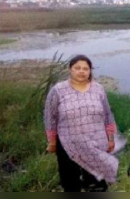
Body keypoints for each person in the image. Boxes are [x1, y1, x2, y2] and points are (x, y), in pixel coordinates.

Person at [44, 55, 118, 192]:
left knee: (97, 183)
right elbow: (50, 117)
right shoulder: (58, 90)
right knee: (70, 183)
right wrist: (52, 142)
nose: (81, 71)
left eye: (85, 68)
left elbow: (108, 115)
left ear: (90, 71)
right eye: (77, 68)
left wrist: (111, 139)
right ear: (70, 69)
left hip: (96, 144)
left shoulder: (98, 89)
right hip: (67, 144)